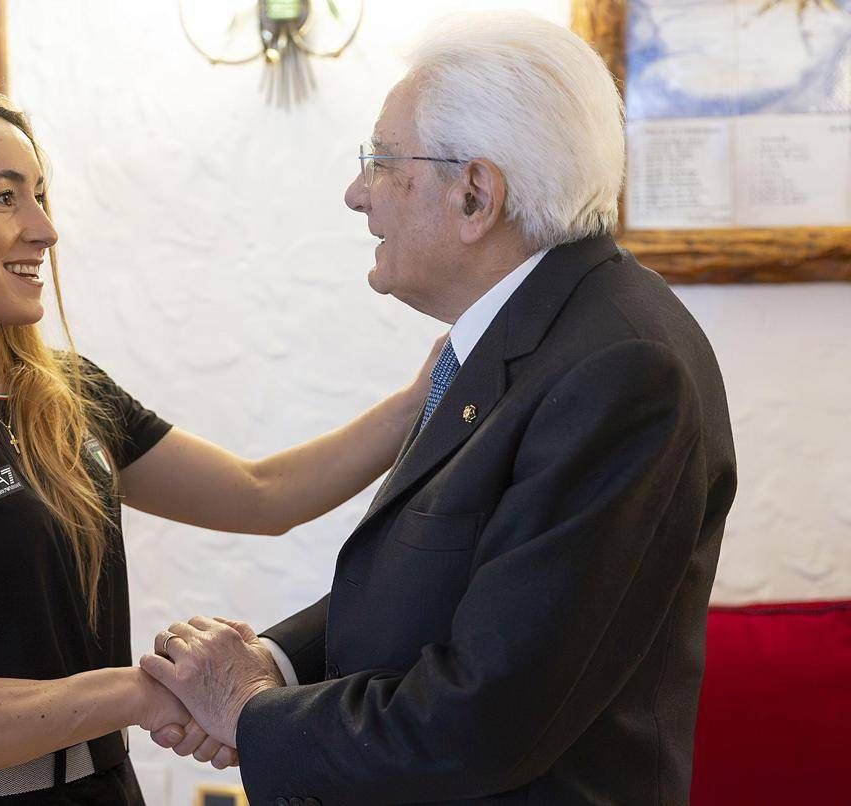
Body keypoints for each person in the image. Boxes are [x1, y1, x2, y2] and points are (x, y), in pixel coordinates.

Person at [0, 85, 441, 805]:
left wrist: (424, 397)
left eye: (39, 195)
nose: (44, 229)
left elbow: (261, 495)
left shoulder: (66, 394)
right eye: (5, 198)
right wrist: (141, 692)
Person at [141, 12, 738, 805]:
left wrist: (252, 714)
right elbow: (439, 582)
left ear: (475, 195)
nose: (357, 194)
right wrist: (271, 665)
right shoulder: (539, 330)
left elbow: (486, 718)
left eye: (381, 162)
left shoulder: (620, 370)